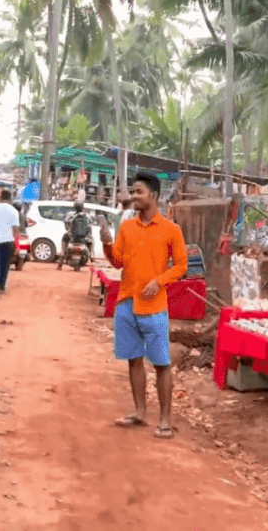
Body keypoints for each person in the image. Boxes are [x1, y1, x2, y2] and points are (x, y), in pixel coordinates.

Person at [99, 172, 187, 440]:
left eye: (138, 192)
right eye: (133, 192)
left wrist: (159, 281)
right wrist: (106, 243)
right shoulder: (127, 228)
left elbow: (181, 267)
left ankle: (165, 419)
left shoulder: (172, 230)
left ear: (154, 196)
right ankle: (139, 411)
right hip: (126, 303)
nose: (133, 197)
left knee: (161, 363)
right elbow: (117, 262)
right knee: (133, 360)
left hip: (155, 306)